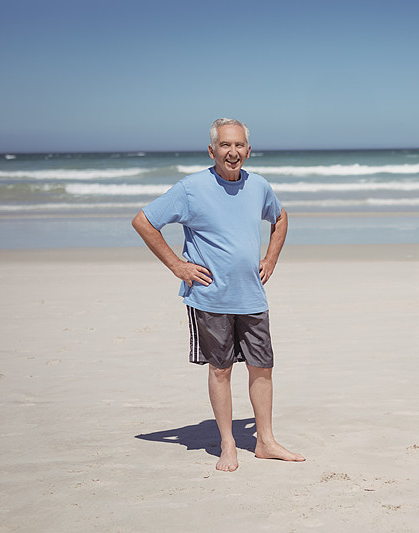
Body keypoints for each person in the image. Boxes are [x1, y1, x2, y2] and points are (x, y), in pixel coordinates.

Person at [132, 118, 304, 471]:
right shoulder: (191, 188)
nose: (233, 152)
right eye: (225, 145)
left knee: (262, 367)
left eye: (239, 145)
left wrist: (270, 258)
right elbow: (144, 221)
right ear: (212, 151)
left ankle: (265, 441)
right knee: (221, 370)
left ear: (248, 151)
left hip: (251, 295)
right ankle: (228, 443)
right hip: (210, 297)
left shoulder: (258, 186)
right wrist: (177, 266)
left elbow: (281, 217)